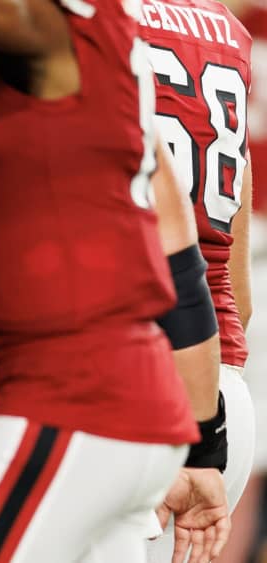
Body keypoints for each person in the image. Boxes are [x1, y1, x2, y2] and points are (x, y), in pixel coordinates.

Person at [0, 0, 231, 561]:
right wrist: (201, 442)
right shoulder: (77, 47)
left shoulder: (58, 27)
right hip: (130, 399)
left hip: (76, 395)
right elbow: (178, 258)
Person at [138, 1, 256, 560]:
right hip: (219, 387)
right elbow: (238, 290)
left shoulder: (74, 19)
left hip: (116, 386)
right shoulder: (227, 31)